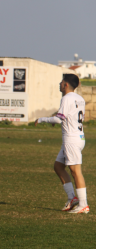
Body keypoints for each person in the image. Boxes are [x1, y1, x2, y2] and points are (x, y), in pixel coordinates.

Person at [35, 74, 89, 214]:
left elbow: (60, 119)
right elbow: (67, 115)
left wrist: (43, 120)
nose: (59, 83)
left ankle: (83, 204)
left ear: (65, 84)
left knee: (76, 171)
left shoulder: (66, 98)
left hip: (71, 139)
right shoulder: (79, 98)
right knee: (58, 167)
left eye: (61, 81)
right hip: (78, 137)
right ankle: (72, 198)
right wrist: (57, 117)